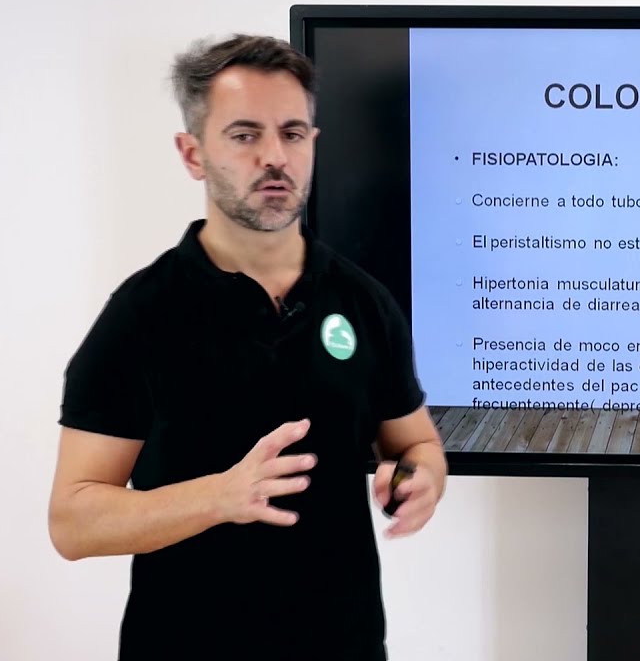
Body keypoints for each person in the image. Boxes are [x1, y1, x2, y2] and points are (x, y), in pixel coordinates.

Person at [47, 33, 447, 660]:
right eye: (244, 135)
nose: (274, 157)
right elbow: (72, 522)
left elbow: (415, 443)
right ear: (193, 154)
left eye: (292, 133)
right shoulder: (141, 316)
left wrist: (420, 479)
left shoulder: (364, 301)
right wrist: (220, 497)